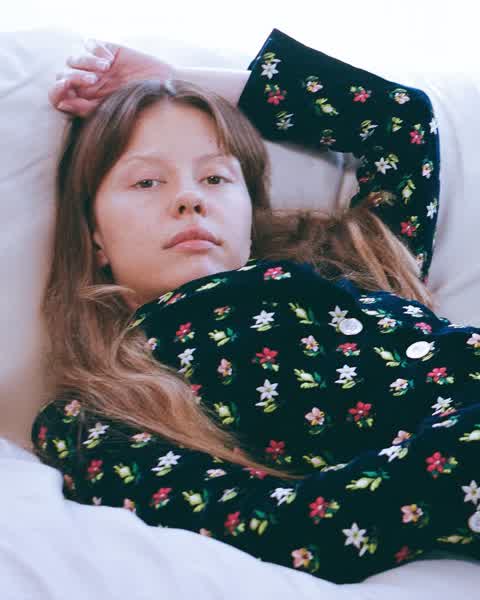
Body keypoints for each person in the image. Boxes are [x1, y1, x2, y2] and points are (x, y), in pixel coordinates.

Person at [32, 29, 480, 584]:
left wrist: (175, 81)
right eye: (147, 181)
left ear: (249, 211)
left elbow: (399, 121)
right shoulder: (97, 414)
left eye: (215, 177)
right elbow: (288, 527)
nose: (189, 197)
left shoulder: (356, 263)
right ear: (94, 234)